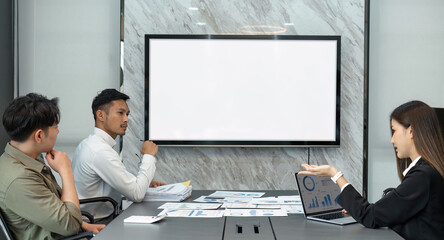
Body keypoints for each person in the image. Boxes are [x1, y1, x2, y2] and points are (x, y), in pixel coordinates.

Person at [299, 100, 444, 239]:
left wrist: (335, 175)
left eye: (394, 131)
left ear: (411, 131)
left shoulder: (422, 176)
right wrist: (355, 207)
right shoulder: (429, 171)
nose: (392, 140)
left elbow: (370, 217)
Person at [0, 93, 105, 240]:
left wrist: (83, 225)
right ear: (39, 136)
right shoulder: (20, 178)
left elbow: (55, 210)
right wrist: (66, 171)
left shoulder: (27, 158)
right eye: (55, 127)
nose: (58, 131)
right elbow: (70, 225)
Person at [72, 89, 165, 220]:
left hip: (99, 218)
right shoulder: (99, 151)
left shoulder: (90, 144)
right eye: (120, 113)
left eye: (127, 114)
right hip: (97, 223)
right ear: (101, 115)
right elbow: (136, 194)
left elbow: (118, 184)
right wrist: (148, 156)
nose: (126, 119)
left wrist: (144, 183)